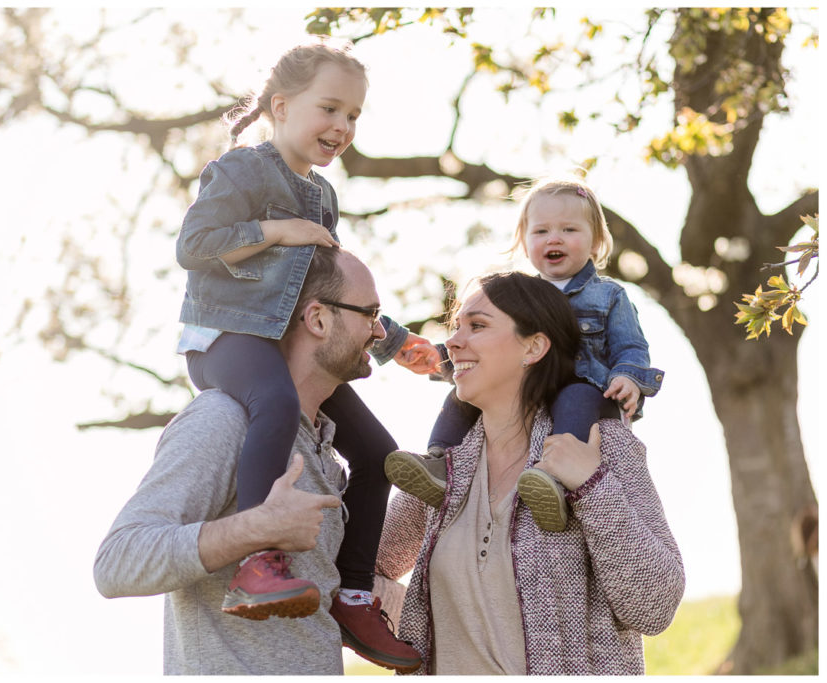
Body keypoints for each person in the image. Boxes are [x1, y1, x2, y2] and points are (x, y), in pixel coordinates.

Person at [173, 40, 428, 663]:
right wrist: (278, 231)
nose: (342, 127)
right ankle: (259, 563)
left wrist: (395, 341)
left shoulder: (324, 198)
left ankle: (355, 595)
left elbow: (329, 291)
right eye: (331, 109)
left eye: (354, 117)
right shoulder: (241, 171)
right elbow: (194, 244)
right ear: (281, 107)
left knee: (378, 453)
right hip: (227, 338)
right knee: (277, 404)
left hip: (286, 341)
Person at [95, 247, 422, 675]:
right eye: (370, 313)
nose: (380, 332)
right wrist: (254, 529)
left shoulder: (329, 452)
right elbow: (117, 562)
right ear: (318, 319)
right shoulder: (224, 420)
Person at [374, 271, 685, 675]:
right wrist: (418, 630)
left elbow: (655, 606)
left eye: (478, 326)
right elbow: (367, 570)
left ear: (534, 346)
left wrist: (592, 485)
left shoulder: (600, 445)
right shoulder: (444, 472)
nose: (452, 341)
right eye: (456, 327)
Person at [386, 177, 664, 532]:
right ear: (524, 241)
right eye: (541, 231)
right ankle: (440, 464)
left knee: (576, 397)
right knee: (462, 397)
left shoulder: (609, 296)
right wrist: (437, 358)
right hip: (527, 389)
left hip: (583, 388)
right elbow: (489, 348)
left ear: (596, 241)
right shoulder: (517, 296)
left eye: (569, 229)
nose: (554, 238)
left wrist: (627, 377)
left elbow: (631, 348)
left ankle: (555, 479)